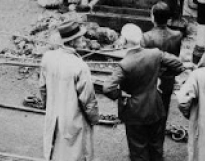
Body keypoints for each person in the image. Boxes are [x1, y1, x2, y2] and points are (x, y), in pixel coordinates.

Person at [103, 24, 184, 161]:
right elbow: (178, 65)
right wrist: (160, 76)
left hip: (134, 111)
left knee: (138, 150)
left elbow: (107, 88)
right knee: (156, 146)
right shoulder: (155, 54)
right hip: (155, 106)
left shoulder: (125, 64)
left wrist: (120, 94)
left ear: (124, 40)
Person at [39, 26, 99, 161]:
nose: (83, 40)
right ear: (73, 41)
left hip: (54, 115)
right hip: (74, 119)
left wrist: (48, 105)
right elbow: (88, 99)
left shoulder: (47, 58)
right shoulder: (79, 65)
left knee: (55, 152)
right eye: (80, 38)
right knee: (75, 154)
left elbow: (42, 88)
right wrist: (94, 118)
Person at [140, 2, 182, 122]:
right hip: (168, 79)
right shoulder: (177, 35)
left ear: (153, 17)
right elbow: (175, 57)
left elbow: (144, 63)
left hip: (151, 79)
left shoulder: (146, 37)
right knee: (164, 110)